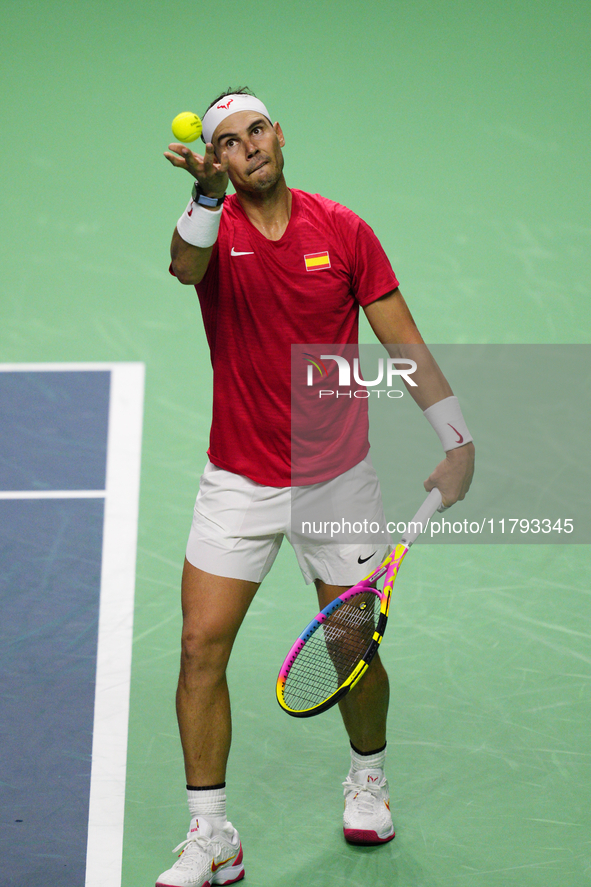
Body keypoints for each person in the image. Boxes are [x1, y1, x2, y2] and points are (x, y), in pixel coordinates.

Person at [156, 88, 474, 887]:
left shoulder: (342, 230)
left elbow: (402, 338)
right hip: (238, 478)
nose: (246, 147)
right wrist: (202, 197)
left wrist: (456, 437)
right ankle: (211, 834)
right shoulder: (213, 228)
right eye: (227, 142)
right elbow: (180, 265)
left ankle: (368, 778)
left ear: (278, 135)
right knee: (199, 648)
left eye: (255, 130)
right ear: (219, 161)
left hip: (336, 479)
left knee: (351, 648)